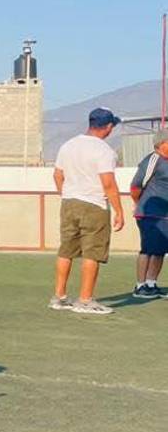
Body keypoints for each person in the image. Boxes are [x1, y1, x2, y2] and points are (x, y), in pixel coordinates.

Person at [51, 108, 125, 315]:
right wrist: (119, 211)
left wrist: (66, 194)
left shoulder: (68, 145)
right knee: (92, 252)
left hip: (69, 203)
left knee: (66, 250)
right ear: (109, 127)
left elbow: (57, 175)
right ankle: (84, 300)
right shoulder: (104, 151)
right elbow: (108, 184)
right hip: (94, 204)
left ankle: (59, 296)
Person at [130, 131, 168, 298]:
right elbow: (136, 186)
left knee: (160, 250)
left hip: (165, 215)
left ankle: (151, 284)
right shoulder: (153, 160)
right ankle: (140, 286)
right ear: (162, 143)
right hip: (150, 214)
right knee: (148, 249)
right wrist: (141, 205)